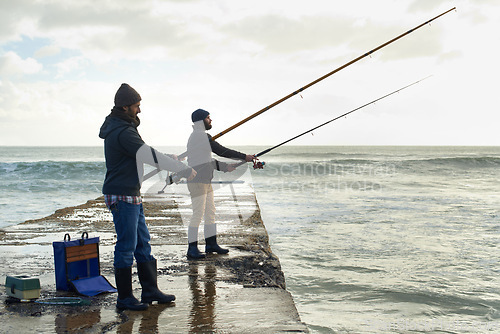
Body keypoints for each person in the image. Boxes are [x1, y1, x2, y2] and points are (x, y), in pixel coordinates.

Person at [99, 83, 196, 311]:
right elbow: (147, 154)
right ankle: (124, 298)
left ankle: (150, 290)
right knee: (126, 246)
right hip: (123, 195)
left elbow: (143, 152)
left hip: (130, 192)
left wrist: (169, 158)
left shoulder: (122, 126)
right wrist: (180, 168)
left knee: (143, 243)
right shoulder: (122, 131)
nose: (139, 110)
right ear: (125, 107)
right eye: (136, 106)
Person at [186, 108, 254, 259]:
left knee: (210, 212)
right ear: (200, 121)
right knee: (198, 214)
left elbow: (207, 160)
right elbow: (221, 151)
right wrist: (244, 156)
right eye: (208, 118)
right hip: (197, 181)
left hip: (205, 181)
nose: (211, 120)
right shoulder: (199, 136)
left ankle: (211, 244)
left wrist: (224, 167)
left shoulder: (199, 136)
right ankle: (191, 249)